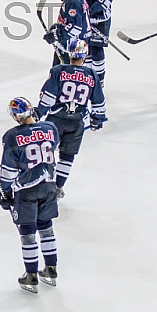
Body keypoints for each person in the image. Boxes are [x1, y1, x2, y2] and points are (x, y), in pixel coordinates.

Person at [0, 97, 60, 293]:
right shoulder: (50, 127)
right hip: (49, 185)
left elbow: (8, 170)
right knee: (46, 227)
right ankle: (51, 269)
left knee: (27, 232)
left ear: (16, 117)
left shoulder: (11, 136)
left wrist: (5, 192)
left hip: (26, 190)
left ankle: (31, 275)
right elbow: (52, 146)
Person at [36, 39, 106, 199]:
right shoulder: (92, 74)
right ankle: (58, 187)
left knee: (46, 153)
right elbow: (98, 100)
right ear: (85, 55)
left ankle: (42, 183)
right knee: (67, 156)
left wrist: (39, 114)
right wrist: (98, 118)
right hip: (76, 122)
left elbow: (48, 96)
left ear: (69, 53)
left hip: (55, 120)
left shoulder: (58, 70)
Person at [78, 0, 113, 86]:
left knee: (97, 48)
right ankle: (88, 78)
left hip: (100, 17)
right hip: (86, 19)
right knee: (86, 48)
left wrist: (90, 11)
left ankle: (99, 80)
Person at [42, 0, 90, 67]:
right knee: (56, 71)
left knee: (66, 75)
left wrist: (57, 34)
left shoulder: (75, 2)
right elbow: (68, 21)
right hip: (66, 43)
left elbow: (76, 27)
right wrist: (57, 27)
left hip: (72, 47)